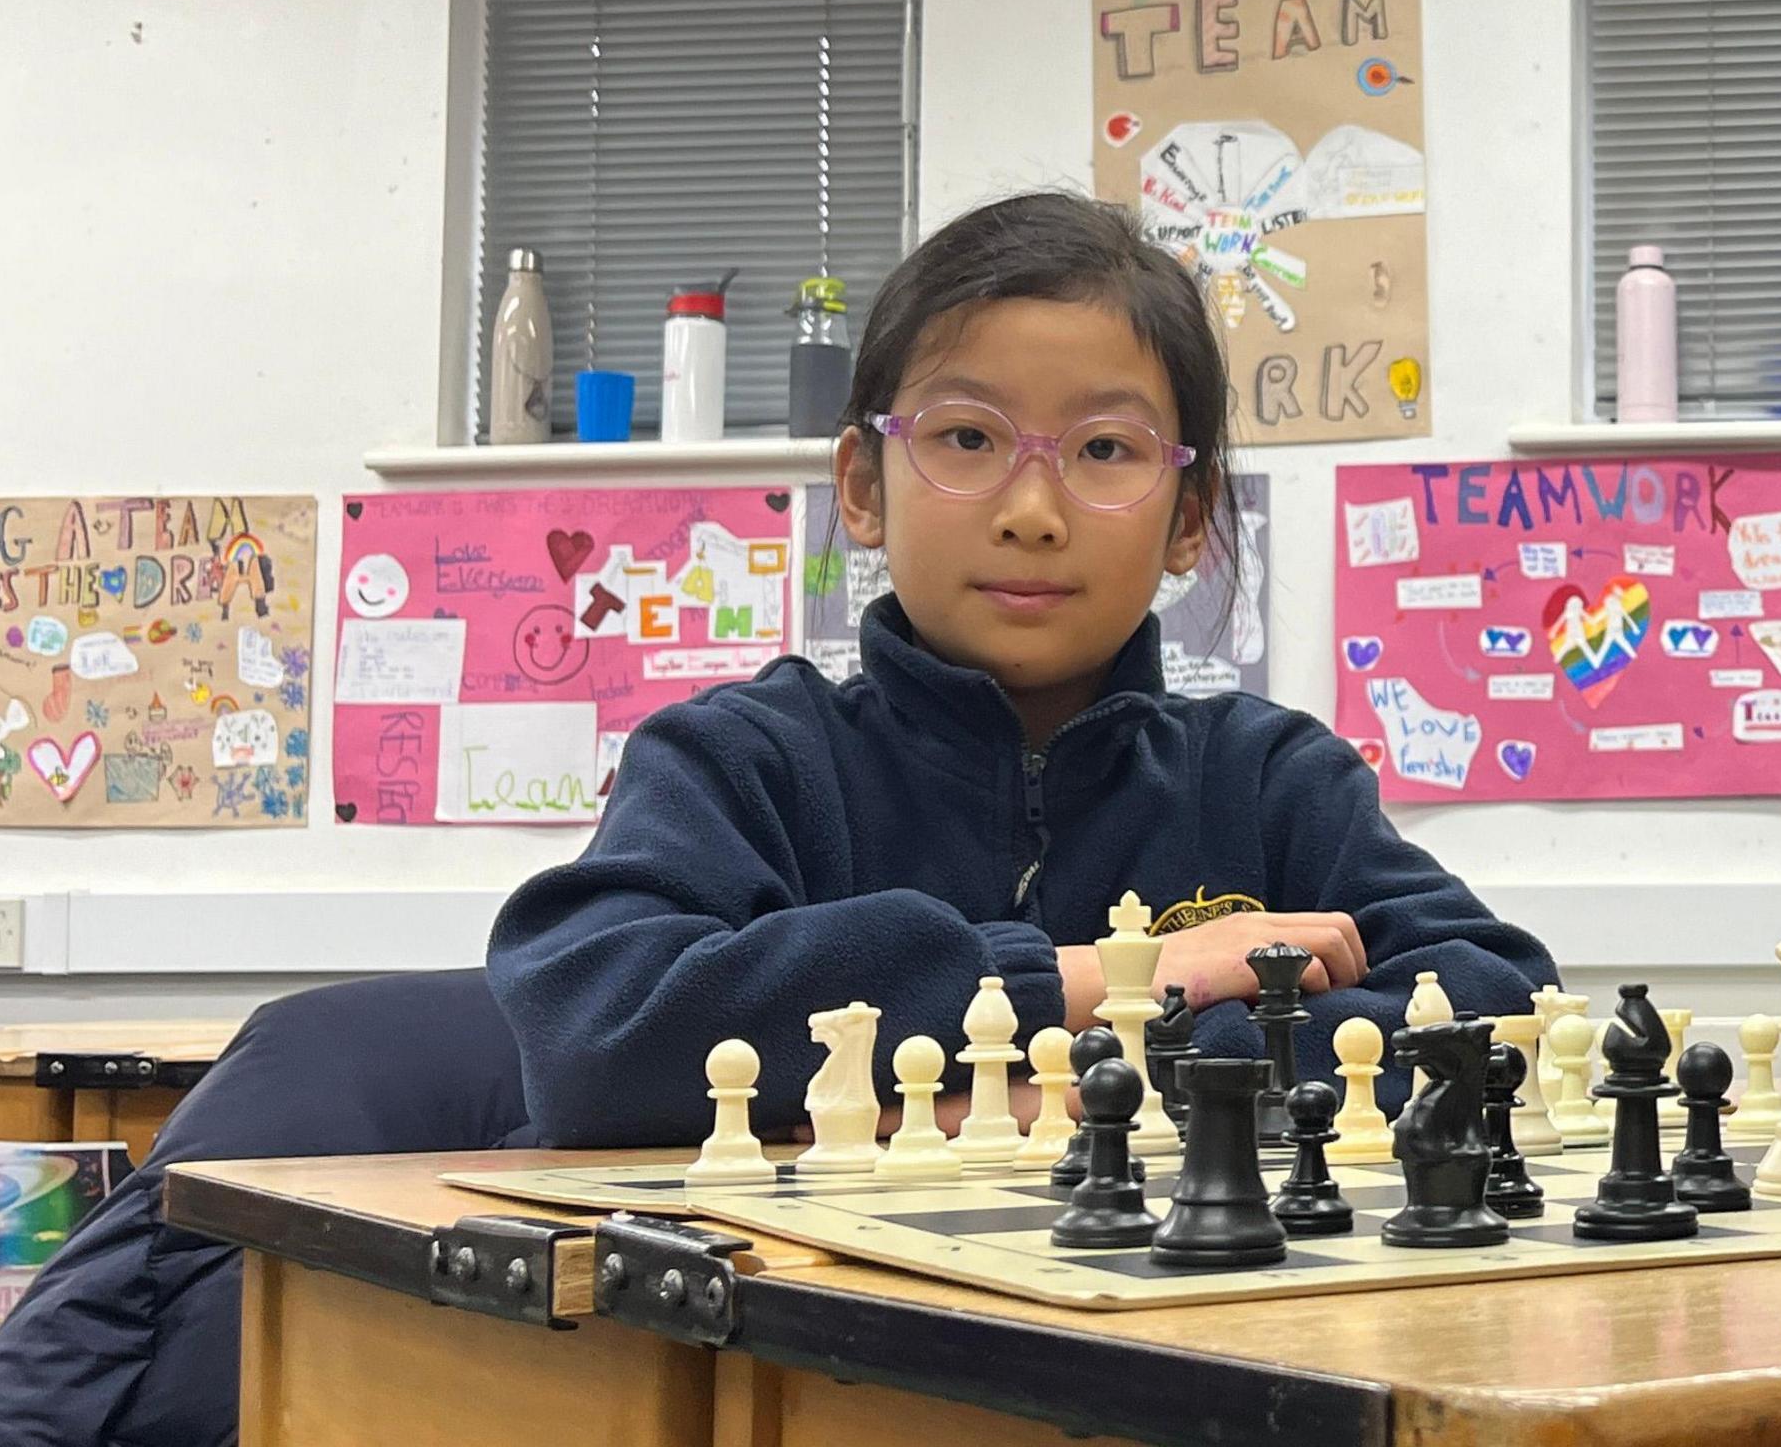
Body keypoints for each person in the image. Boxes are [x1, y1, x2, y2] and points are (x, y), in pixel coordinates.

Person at [486, 191, 1555, 1146]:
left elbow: (1497, 1005)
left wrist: (1062, 1086)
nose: (1033, 514)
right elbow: (596, 1038)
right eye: (964, 438)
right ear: (861, 485)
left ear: (1189, 518)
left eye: (1104, 450)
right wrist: (1100, 979)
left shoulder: (1271, 779)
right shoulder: (740, 761)